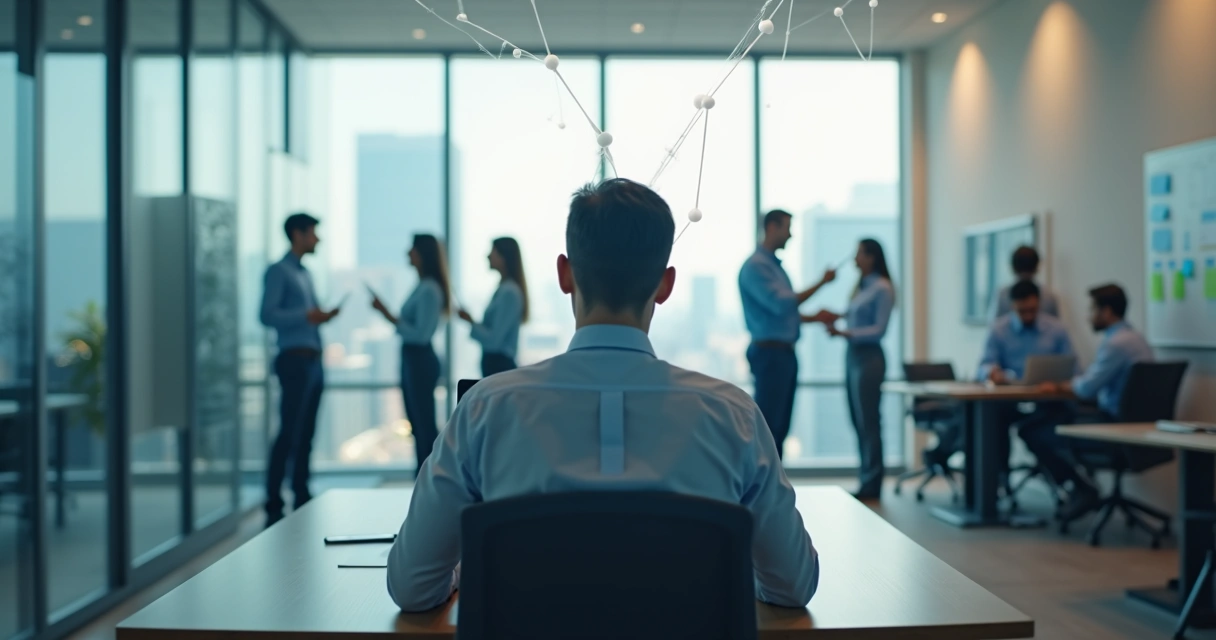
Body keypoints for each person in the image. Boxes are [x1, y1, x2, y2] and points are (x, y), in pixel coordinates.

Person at [386, 179, 819, 612]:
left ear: (564, 274)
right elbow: (793, 585)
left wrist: (469, 571)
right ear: (665, 285)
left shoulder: (483, 409)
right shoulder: (734, 416)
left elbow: (412, 587)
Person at [1017, 284, 1154, 518]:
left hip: (1112, 427)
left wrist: (1060, 385)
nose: (1088, 316)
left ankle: (1080, 489)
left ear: (1107, 312)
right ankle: (1079, 489)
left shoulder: (1115, 343)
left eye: (1092, 310)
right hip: (1138, 427)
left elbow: (1087, 388)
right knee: (1048, 420)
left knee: (1031, 431)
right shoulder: (1137, 339)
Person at [259, 212, 340, 526]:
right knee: (289, 431)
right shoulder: (279, 271)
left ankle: (301, 491)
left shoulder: (305, 274)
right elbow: (267, 315)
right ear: (297, 234)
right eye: (312, 233)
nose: (317, 239)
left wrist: (319, 316)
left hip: (313, 359)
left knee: (306, 432)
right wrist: (307, 315)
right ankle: (273, 499)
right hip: (293, 358)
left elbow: (307, 315)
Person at [738, 209, 836, 457]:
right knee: (770, 428)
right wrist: (822, 282)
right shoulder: (757, 267)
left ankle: (772, 488)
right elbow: (782, 304)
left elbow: (782, 315)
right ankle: (764, 490)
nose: (791, 235)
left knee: (779, 427)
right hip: (771, 355)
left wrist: (815, 318)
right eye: (787, 228)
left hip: (781, 355)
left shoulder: (772, 266)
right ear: (772, 227)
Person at [812, 239, 895, 501]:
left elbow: (879, 329)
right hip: (853, 356)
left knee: (869, 421)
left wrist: (844, 332)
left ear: (872, 257)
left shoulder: (883, 288)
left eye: (859, 254)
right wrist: (835, 317)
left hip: (869, 358)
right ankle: (866, 479)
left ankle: (872, 484)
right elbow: (854, 316)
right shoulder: (862, 286)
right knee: (858, 421)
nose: (854, 259)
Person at [371, 234, 450, 478]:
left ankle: (430, 481)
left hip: (420, 360)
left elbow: (421, 334)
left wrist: (389, 316)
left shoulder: (428, 289)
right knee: (419, 424)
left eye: (412, 249)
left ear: (421, 254)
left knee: (424, 425)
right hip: (414, 360)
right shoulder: (423, 285)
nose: (408, 253)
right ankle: (425, 481)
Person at [977, 280, 1074, 385]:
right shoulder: (998, 330)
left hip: (1046, 394)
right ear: (1012, 306)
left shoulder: (1057, 329)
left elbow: (1074, 367)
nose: (1028, 316)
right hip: (1007, 394)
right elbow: (984, 367)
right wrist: (991, 372)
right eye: (1022, 311)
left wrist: (1059, 385)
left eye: (1032, 310)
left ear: (1039, 303)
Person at [457, 237, 529, 377]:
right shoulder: (504, 289)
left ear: (504, 257)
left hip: (499, 365)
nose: (488, 255)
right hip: (496, 365)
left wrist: (471, 322)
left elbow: (494, 340)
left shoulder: (509, 292)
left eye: (493, 251)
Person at [990, 245, 1061, 321]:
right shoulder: (1049, 296)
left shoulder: (1003, 295)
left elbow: (994, 324)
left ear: (1013, 268)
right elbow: (1056, 326)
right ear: (1037, 267)